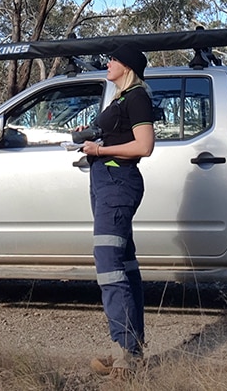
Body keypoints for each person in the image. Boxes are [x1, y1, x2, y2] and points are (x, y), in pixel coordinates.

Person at [77, 44, 154, 379]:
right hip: (106, 180)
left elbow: (144, 145)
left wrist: (100, 149)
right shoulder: (122, 98)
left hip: (118, 182)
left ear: (128, 67)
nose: (108, 63)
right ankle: (131, 351)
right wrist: (89, 143)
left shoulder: (137, 97)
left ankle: (124, 357)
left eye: (114, 60)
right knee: (124, 265)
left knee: (109, 267)